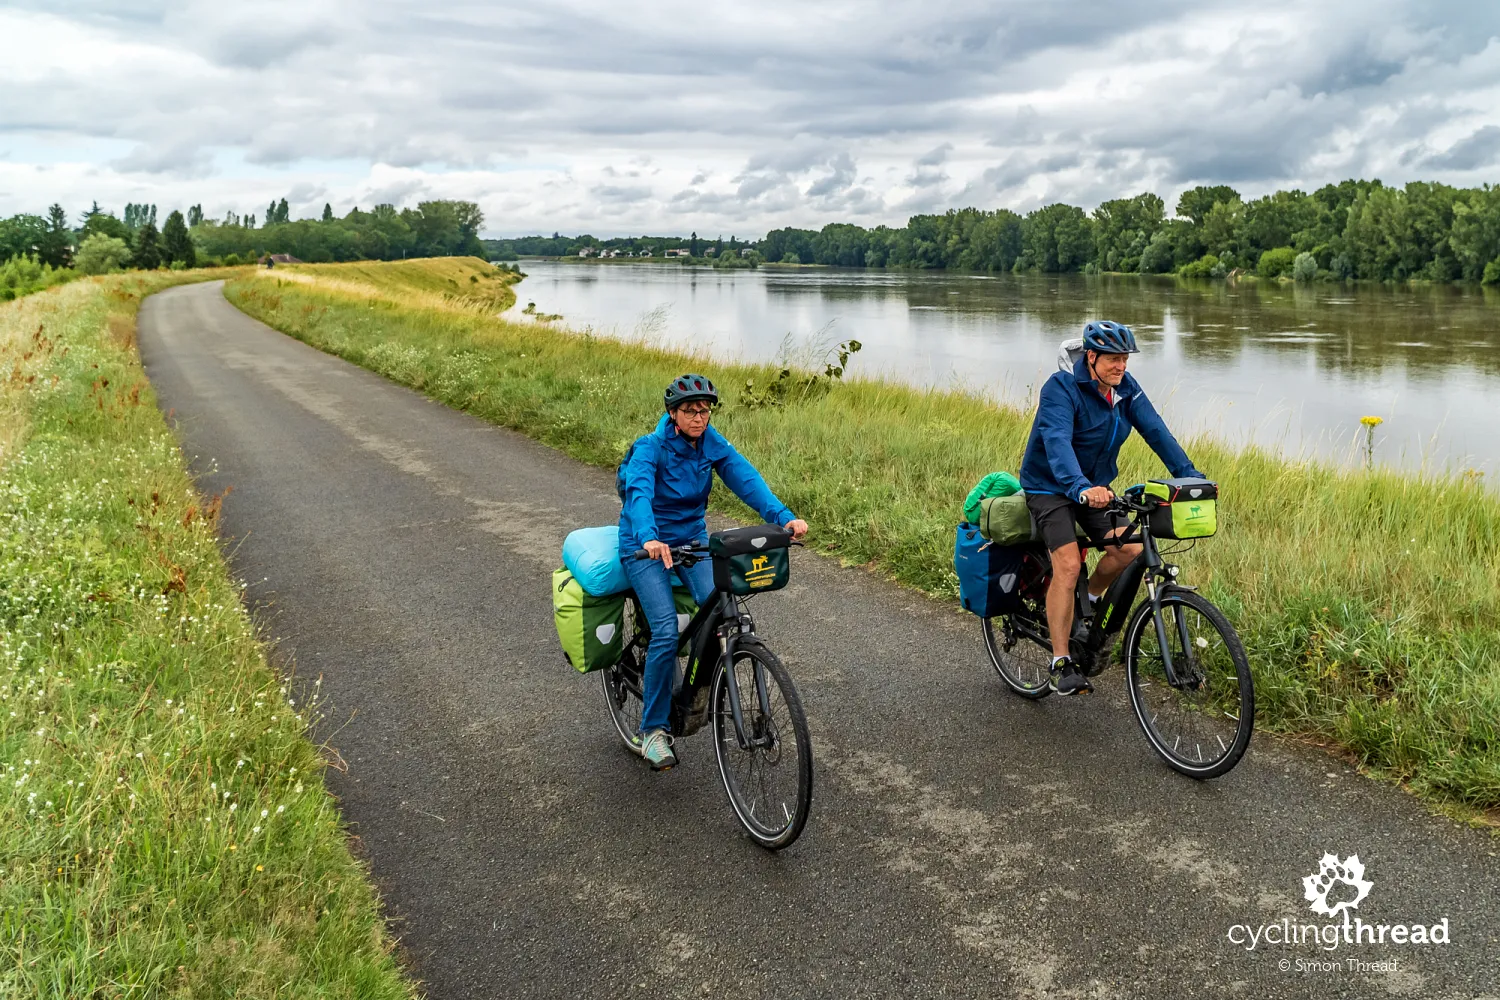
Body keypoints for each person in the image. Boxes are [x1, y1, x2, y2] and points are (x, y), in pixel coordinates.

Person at [619, 374, 808, 770]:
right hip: (645, 546)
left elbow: (746, 478)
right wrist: (650, 537)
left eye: (705, 411)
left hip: (693, 541)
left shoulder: (709, 443)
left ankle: (696, 692)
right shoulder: (650, 448)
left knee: (725, 616)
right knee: (667, 628)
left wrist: (784, 518)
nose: (699, 418)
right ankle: (653, 729)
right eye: (690, 411)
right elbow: (638, 494)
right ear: (672, 414)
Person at [1019, 321, 1203, 696]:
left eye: (1125, 359)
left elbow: (1157, 432)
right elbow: (1057, 443)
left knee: (1131, 550)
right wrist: (1080, 488)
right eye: (1113, 359)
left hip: (1095, 488)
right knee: (1068, 563)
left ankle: (1086, 602)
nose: (1121, 366)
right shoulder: (1061, 388)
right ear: (1091, 356)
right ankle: (1061, 662)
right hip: (1051, 487)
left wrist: (1190, 478)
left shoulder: (1125, 391)